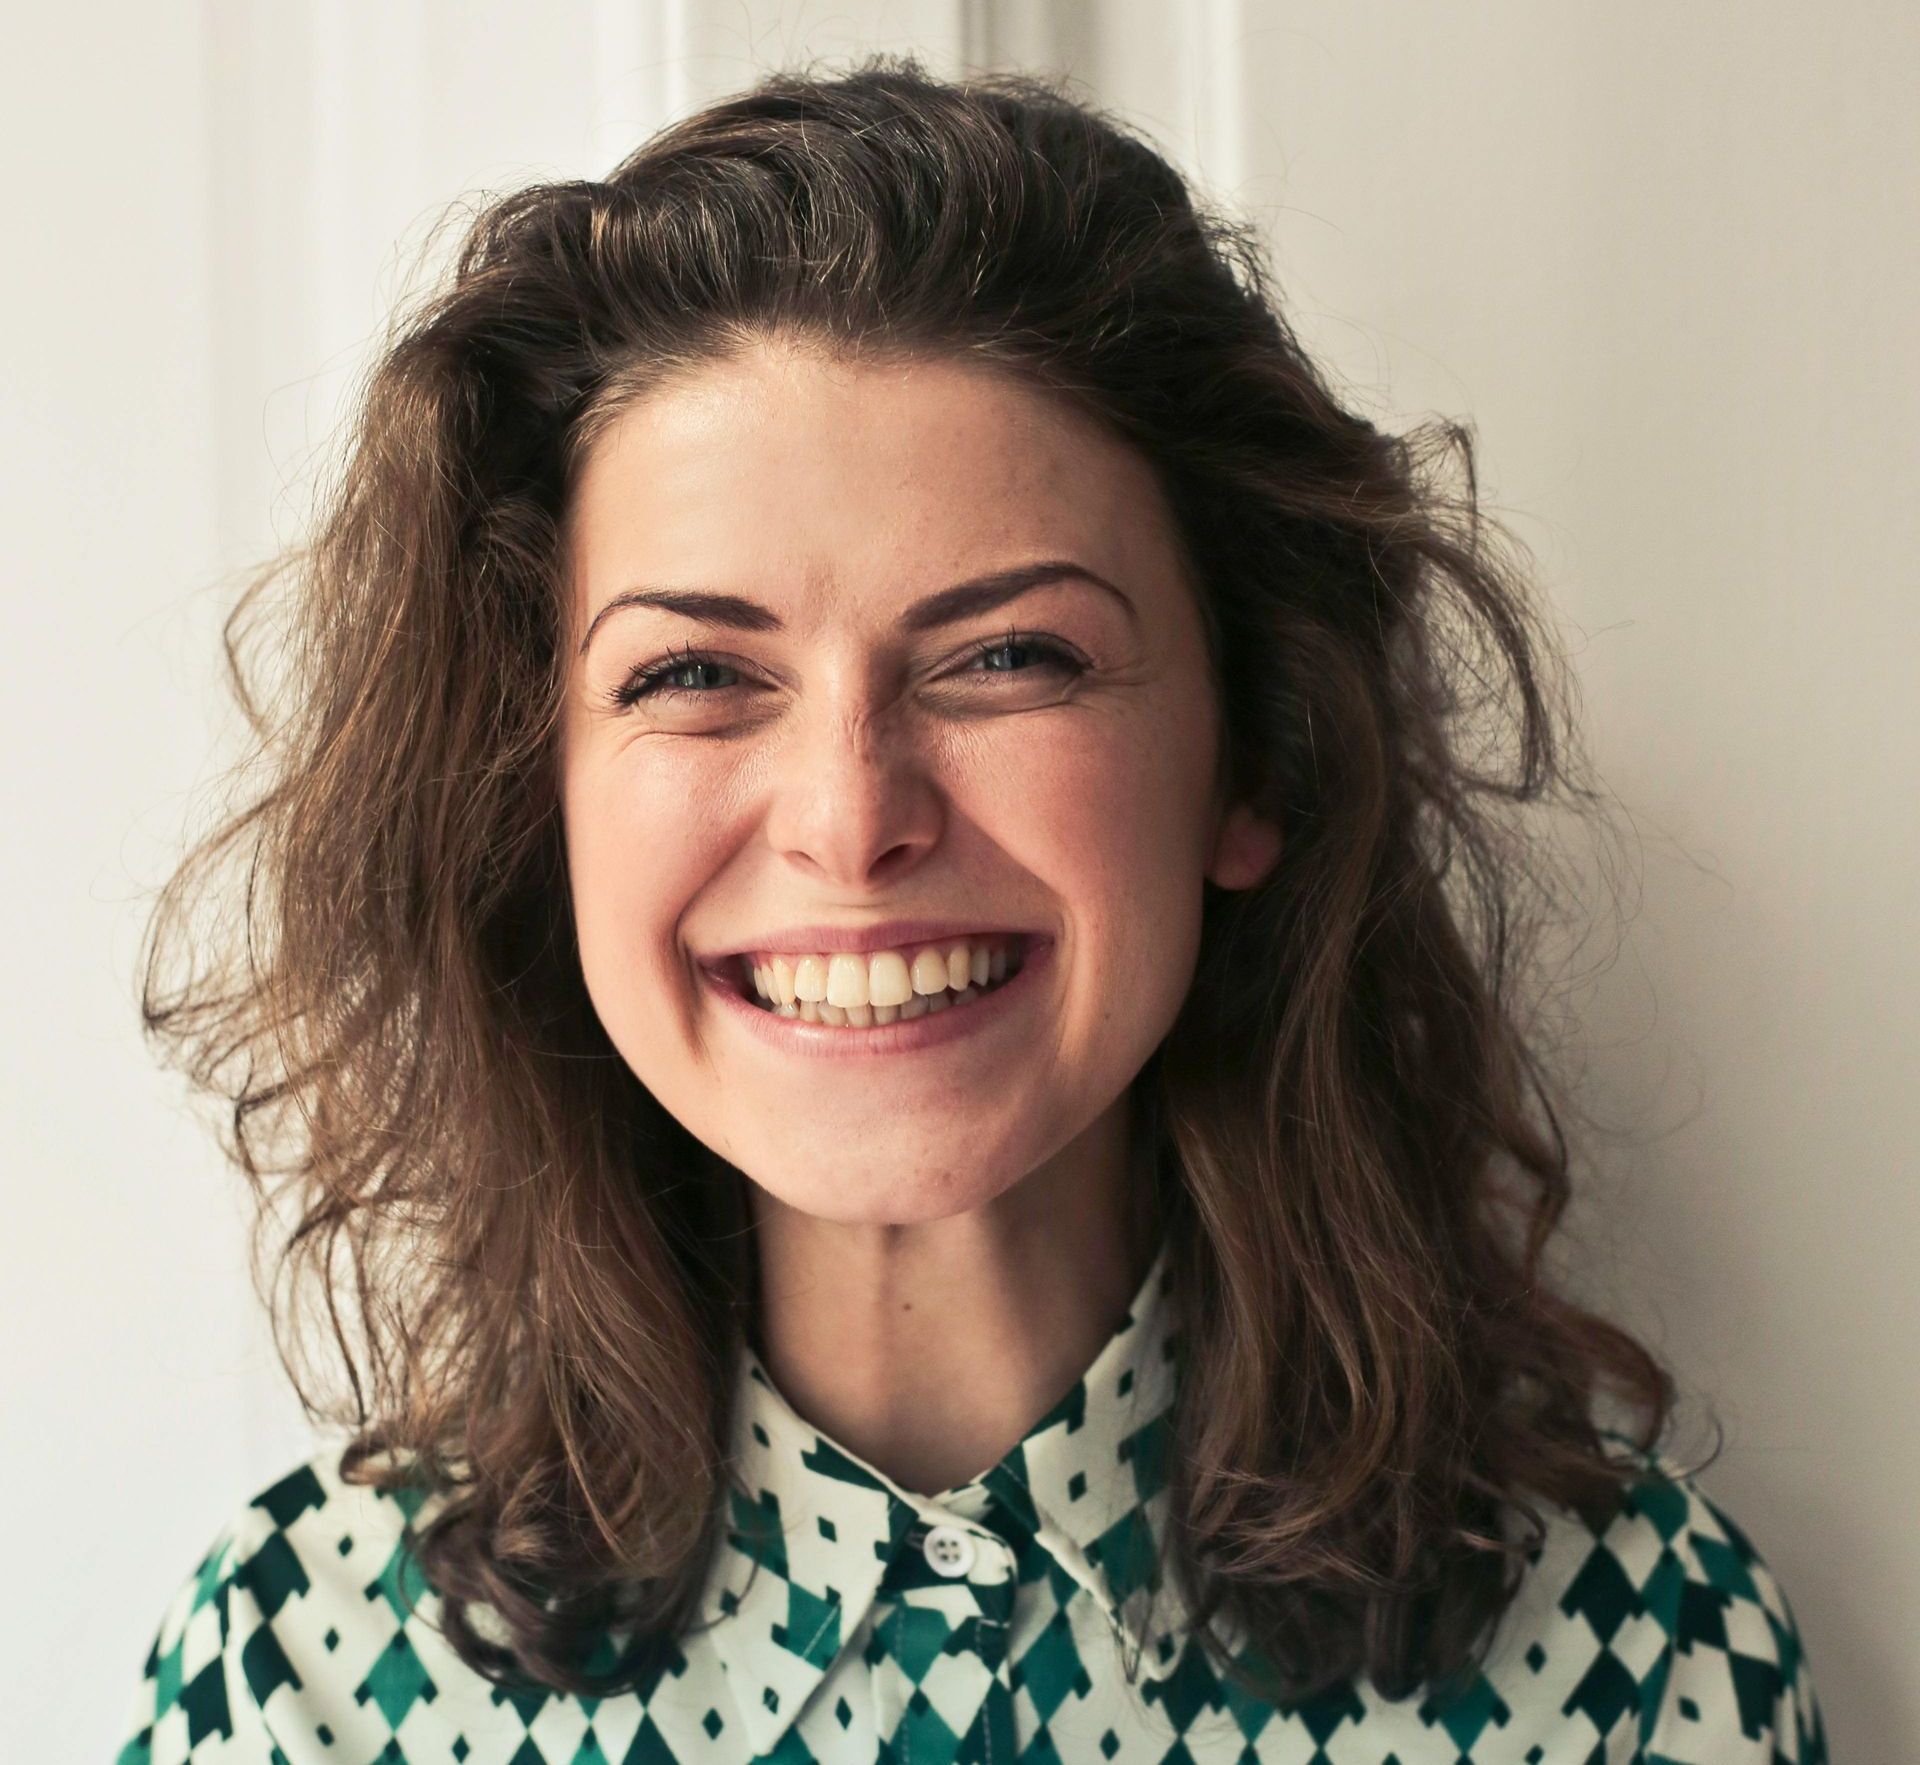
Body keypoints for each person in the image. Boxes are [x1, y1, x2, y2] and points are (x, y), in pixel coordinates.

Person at [115, 53, 1827, 1765]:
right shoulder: (301, 1677)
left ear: (1256, 763)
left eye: (1011, 656)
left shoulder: (1636, 1654)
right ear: (533, 797)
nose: (855, 817)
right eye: (699, 671)